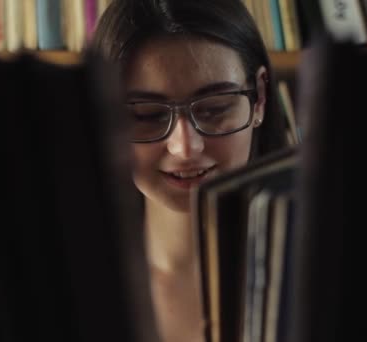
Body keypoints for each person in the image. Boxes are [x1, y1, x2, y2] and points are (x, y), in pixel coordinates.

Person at [91, 0, 287, 341]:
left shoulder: (320, 267)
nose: (185, 147)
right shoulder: (72, 280)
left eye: (214, 109)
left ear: (260, 98)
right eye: (146, 115)